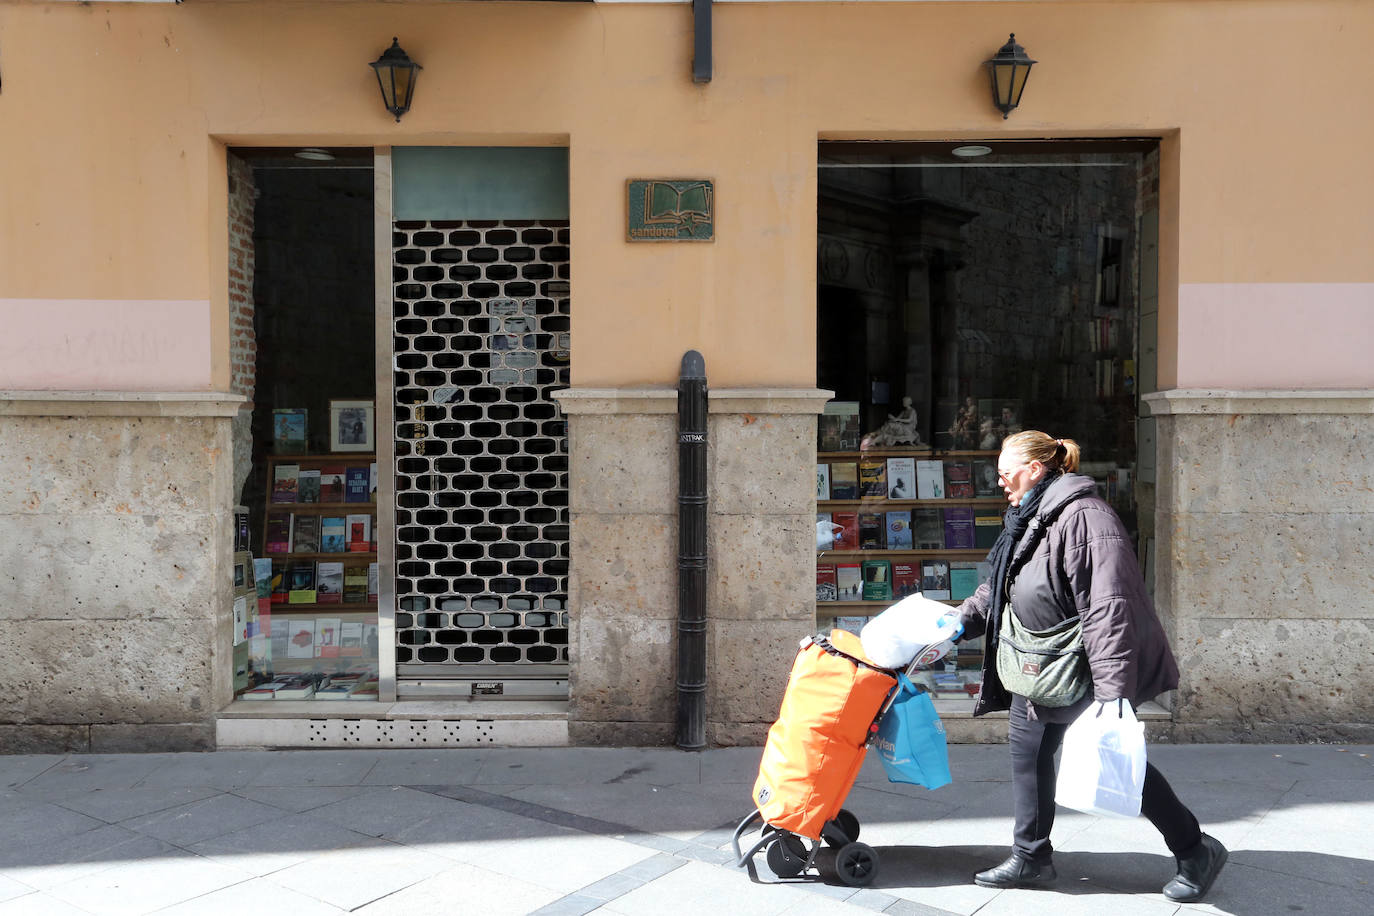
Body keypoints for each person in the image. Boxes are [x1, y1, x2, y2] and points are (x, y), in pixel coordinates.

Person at [954, 430, 1227, 903]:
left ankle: (1195, 848)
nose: (1000, 483)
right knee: (1028, 755)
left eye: (1005, 474)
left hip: (1080, 668)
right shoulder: (1028, 515)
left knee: (1117, 763)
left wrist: (1111, 693)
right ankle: (1032, 857)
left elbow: (1109, 606)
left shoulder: (1085, 518)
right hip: (1038, 665)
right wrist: (956, 624)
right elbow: (1000, 584)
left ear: (1035, 470)